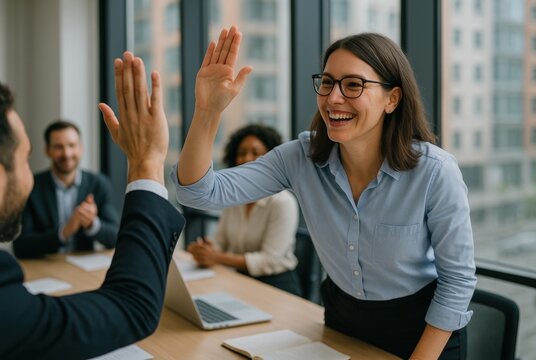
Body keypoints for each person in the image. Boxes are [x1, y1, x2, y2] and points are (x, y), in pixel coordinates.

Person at [173, 26, 476, 360]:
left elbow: (457, 281)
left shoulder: (435, 171)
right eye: (328, 82)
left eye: (353, 85)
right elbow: (197, 193)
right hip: (342, 319)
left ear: (392, 99)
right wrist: (208, 112)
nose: (333, 98)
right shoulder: (299, 158)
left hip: (423, 333)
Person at [0, 51, 185, 359]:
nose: (28, 177)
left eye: (72, 146)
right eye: (24, 158)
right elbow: (132, 307)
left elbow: (112, 232)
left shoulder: (96, 183)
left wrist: (94, 225)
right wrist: (147, 162)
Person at [187, 124, 301, 296]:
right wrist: (206, 249)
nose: (247, 158)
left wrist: (217, 257)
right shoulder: (234, 197)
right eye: (241, 153)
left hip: (277, 286)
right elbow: (221, 241)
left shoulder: (283, 202)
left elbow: (269, 261)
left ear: (271, 159)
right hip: (239, 280)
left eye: (256, 153)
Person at [13, 120, 119, 258]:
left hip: (81, 268)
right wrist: (64, 232)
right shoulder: (31, 186)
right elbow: (21, 247)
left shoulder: (99, 184)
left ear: (80, 148)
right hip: (44, 268)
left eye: (72, 145)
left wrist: (92, 224)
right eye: (58, 147)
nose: (67, 153)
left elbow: (116, 237)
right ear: (47, 150)